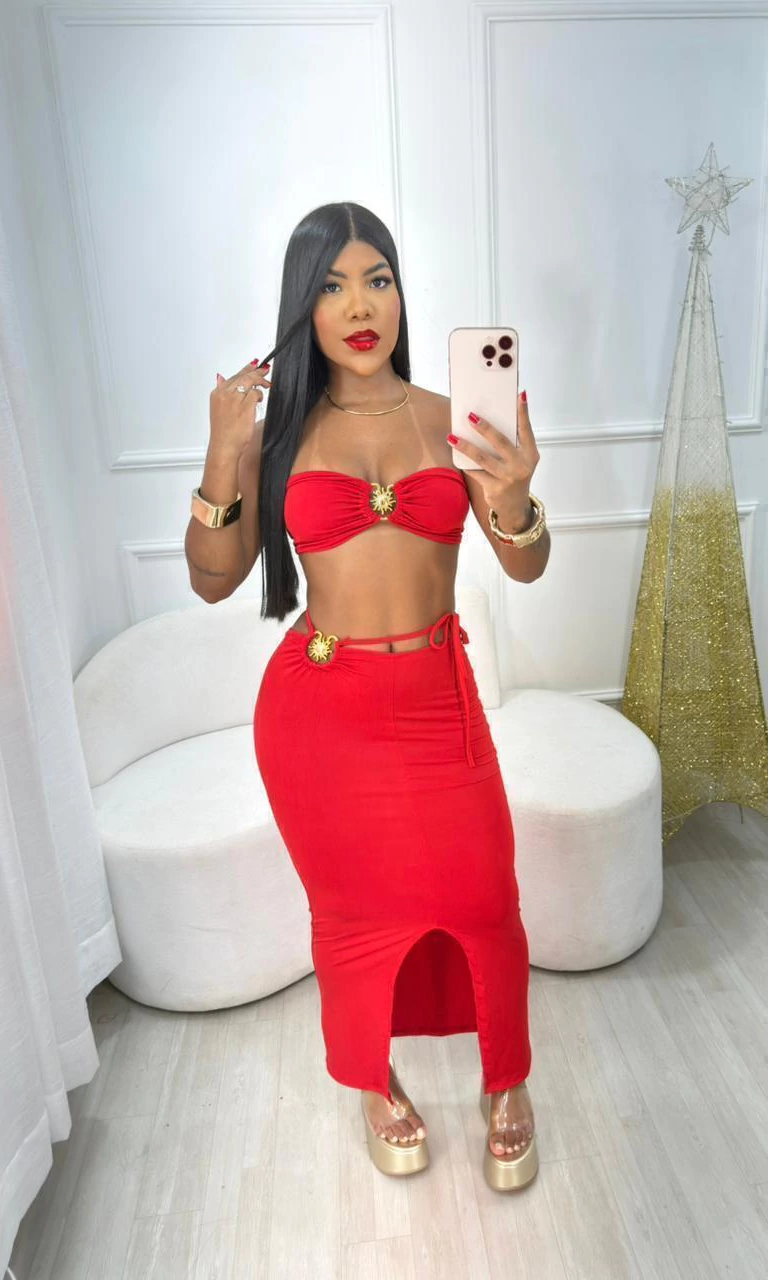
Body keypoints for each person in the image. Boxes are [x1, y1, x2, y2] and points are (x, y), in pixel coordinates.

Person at [185, 203, 550, 1191]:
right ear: (303, 308)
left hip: (436, 696)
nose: (359, 306)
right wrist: (222, 452)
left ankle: (507, 1077)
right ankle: (372, 1076)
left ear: (399, 293)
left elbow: (525, 564)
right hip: (320, 715)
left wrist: (515, 496)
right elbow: (213, 579)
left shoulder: (453, 417)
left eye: (377, 280)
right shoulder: (280, 434)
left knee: (485, 896)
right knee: (351, 915)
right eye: (333, 286)